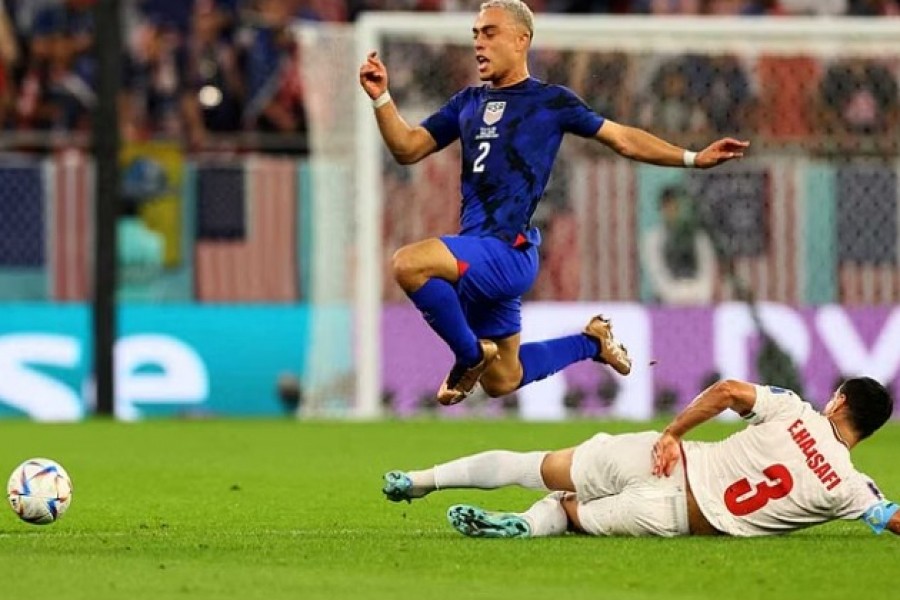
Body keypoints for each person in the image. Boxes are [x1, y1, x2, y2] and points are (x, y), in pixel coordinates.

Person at [358, 0, 748, 406]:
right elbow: (406, 148)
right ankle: (591, 343)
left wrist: (691, 157)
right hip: (478, 252)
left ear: (521, 39)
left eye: (490, 33)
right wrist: (382, 98)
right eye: (475, 35)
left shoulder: (550, 101)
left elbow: (622, 138)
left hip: (507, 251)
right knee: (502, 380)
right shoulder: (467, 103)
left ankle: (469, 356)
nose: (479, 44)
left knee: (408, 263)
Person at [382, 377, 899, 539]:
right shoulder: (852, 488)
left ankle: (421, 479)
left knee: (533, 463)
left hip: (666, 461)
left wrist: (674, 432)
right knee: (564, 510)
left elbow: (726, 391)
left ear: (839, 402)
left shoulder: (794, 411)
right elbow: (890, 518)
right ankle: (522, 524)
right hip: (673, 518)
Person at [641, 185, 716, 305]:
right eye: (668, 207)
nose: (672, 212)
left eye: (676, 207)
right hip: (666, 302)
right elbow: (657, 272)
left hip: (698, 300)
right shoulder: (653, 239)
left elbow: (707, 269)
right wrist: (675, 295)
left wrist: (696, 294)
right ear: (661, 209)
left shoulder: (698, 236)